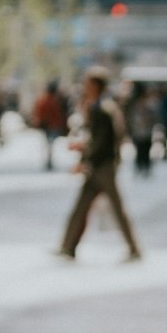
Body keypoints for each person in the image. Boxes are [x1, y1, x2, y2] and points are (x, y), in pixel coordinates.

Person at [56, 66, 141, 262]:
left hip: (102, 168)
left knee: (116, 208)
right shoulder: (106, 106)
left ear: (95, 85)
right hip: (101, 166)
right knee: (81, 207)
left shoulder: (101, 109)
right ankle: (68, 246)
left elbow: (101, 142)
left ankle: (134, 248)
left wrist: (85, 160)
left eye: (87, 83)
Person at [31, 81, 68, 171]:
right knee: (50, 143)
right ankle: (49, 159)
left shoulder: (44, 99)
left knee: (49, 143)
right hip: (51, 125)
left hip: (48, 125)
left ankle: (49, 159)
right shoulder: (53, 100)